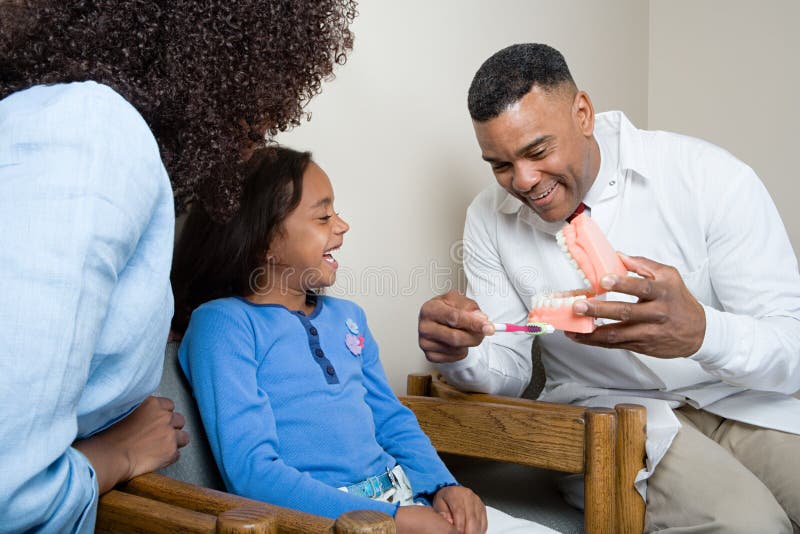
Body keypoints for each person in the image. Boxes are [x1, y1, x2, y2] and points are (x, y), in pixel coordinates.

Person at [0, 2, 357, 532]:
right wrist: (117, 453)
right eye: (257, 122)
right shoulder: (92, 132)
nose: (254, 143)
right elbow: (14, 493)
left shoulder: (65, 129)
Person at [418, 43, 800, 533]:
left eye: (538, 151)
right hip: (611, 418)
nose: (525, 181)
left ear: (583, 113)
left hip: (737, 398)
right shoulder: (488, 219)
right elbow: (509, 370)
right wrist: (459, 353)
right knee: (752, 525)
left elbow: (791, 347)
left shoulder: (710, 178)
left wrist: (701, 333)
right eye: (500, 165)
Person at [173, 146, 554, 534]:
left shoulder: (348, 317)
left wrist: (445, 485)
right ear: (264, 241)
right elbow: (252, 474)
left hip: (406, 502)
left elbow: (391, 420)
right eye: (323, 216)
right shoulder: (223, 325)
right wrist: (393, 521)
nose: (341, 225)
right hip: (327, 523)